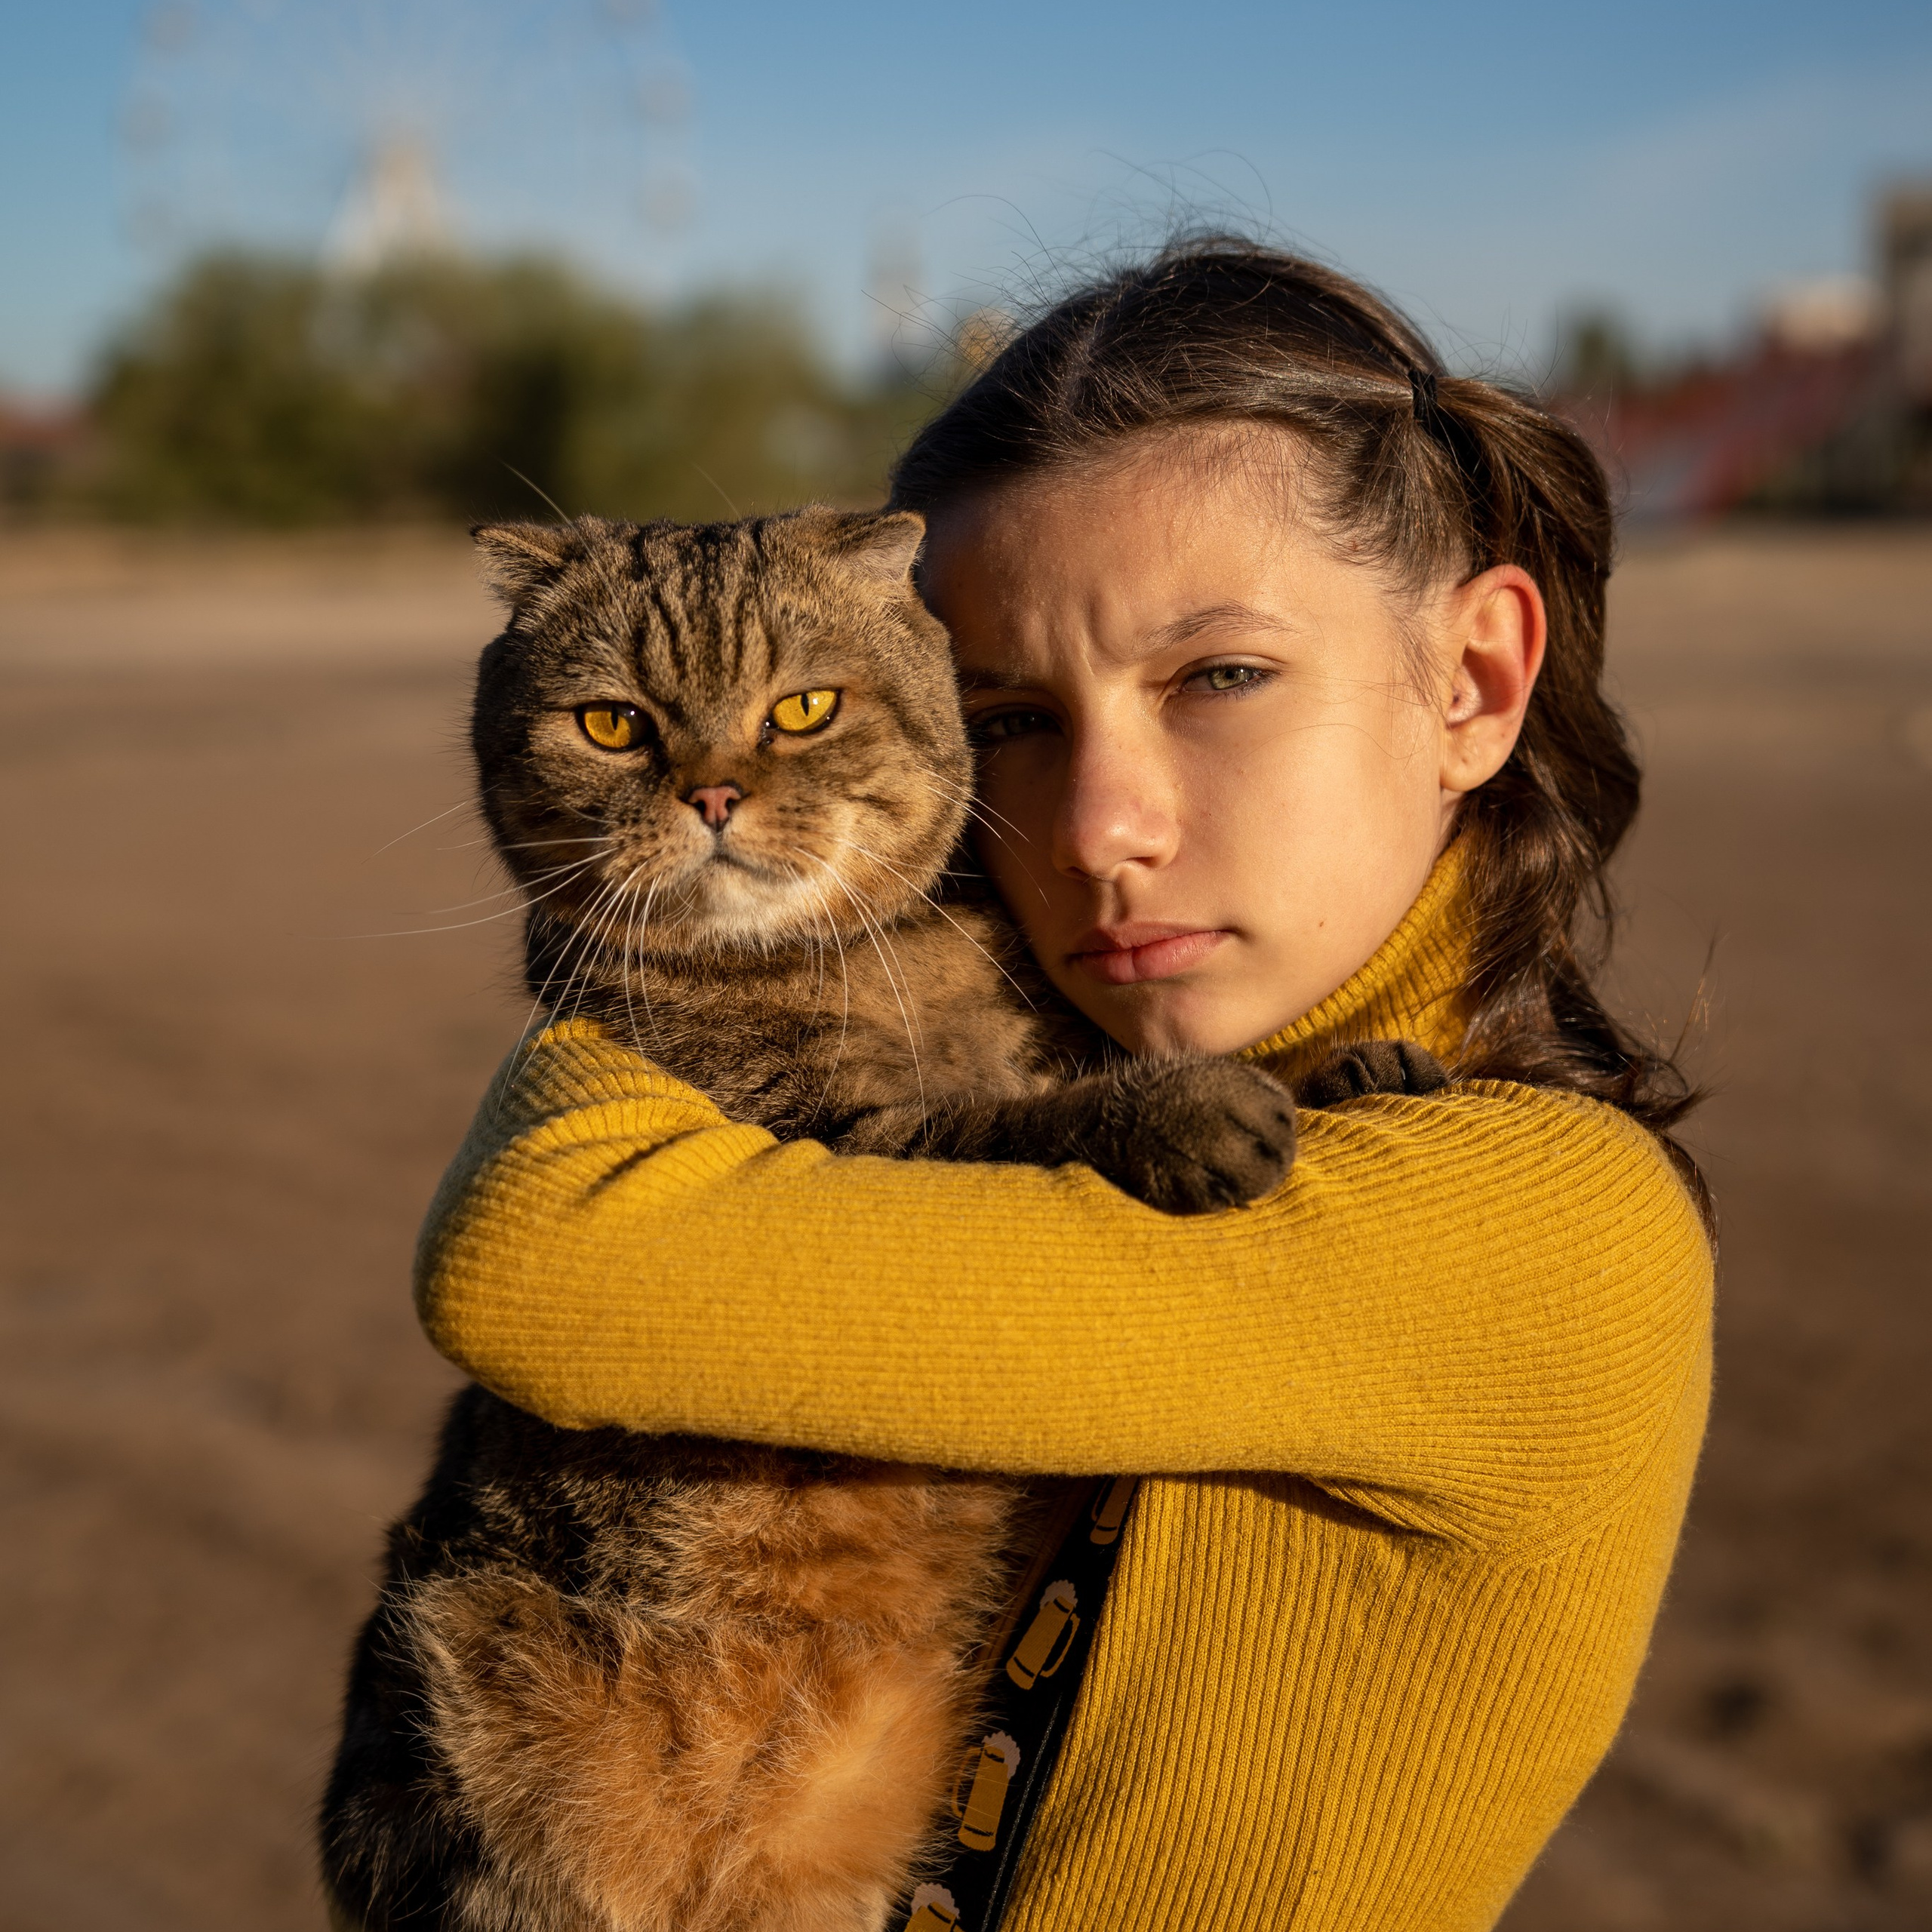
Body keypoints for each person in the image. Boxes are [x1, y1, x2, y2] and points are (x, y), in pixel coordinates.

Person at [414, 241, 1713, 1930]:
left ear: (1467, 681)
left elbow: (546, 1256)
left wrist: (633, 964)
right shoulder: (1117, 1052)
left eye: (1218, 679)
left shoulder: (1541, 1228)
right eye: (1010, 716)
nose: (1100, 824)